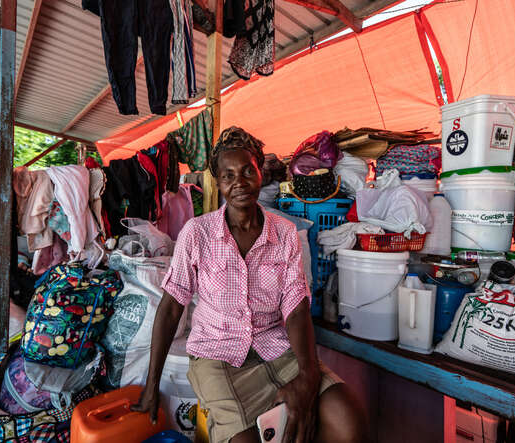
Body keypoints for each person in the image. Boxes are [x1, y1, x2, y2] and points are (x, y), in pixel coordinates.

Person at [133, 127, 366, 442]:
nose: (238, 182)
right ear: (218, 182)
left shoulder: (284, 233)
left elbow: (296, 309)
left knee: (346, 415)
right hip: (217, 356)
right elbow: (172, 307)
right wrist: (151, 385)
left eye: (247, 171)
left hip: (278, 350)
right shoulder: (197, 233)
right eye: (228, 175)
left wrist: (309, 378)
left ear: (260, 172)